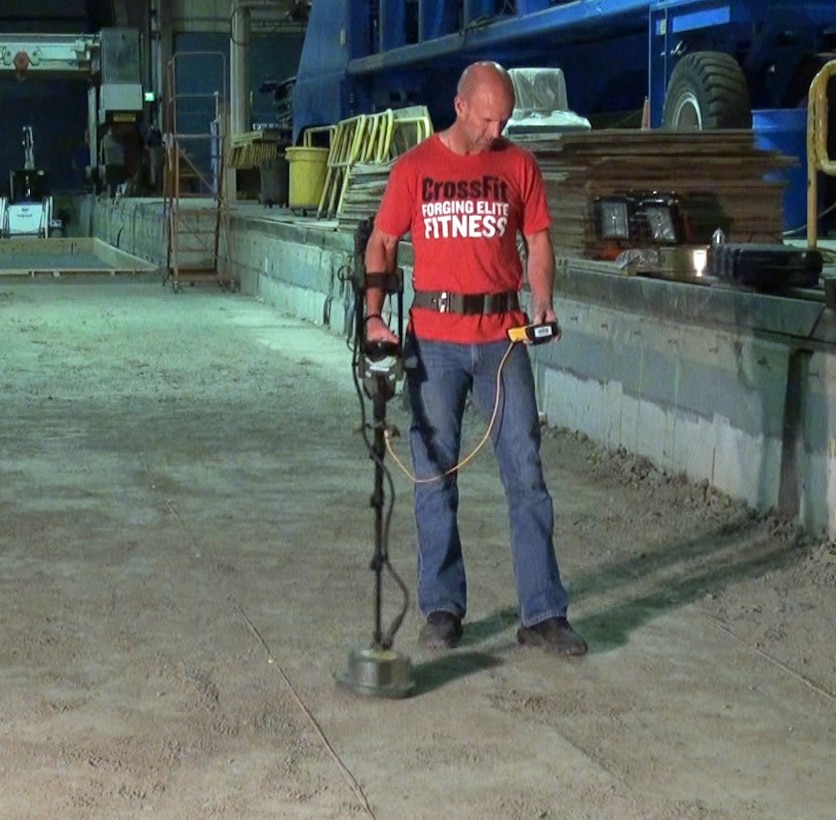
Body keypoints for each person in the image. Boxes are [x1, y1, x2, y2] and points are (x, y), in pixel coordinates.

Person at [363, 61, 586, 656]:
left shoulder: (518, 166)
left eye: (505, 120)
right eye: (488, 119)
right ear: (460, 106)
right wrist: (373, 316)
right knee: (433, 475)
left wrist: (542, 302)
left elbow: (538, 240)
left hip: (504, 339)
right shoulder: (415, 170)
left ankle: (542, 612)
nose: (497, 131)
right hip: (433, 340)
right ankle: (441, 608)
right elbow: (383, 241)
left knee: (526, 473)